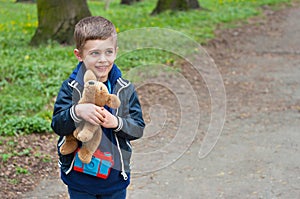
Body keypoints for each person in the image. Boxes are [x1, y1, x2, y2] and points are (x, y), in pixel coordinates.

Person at [51, 16, 145, 199]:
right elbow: (57, 124)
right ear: (79, 55)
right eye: (94, 53)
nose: (103, 60)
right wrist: (77, 112)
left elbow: (138, 128)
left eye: (109, 52)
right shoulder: (71, 88)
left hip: (115, 178)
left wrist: (116, 122)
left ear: (116, 52)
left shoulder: (124, 89)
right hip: (79, 178)